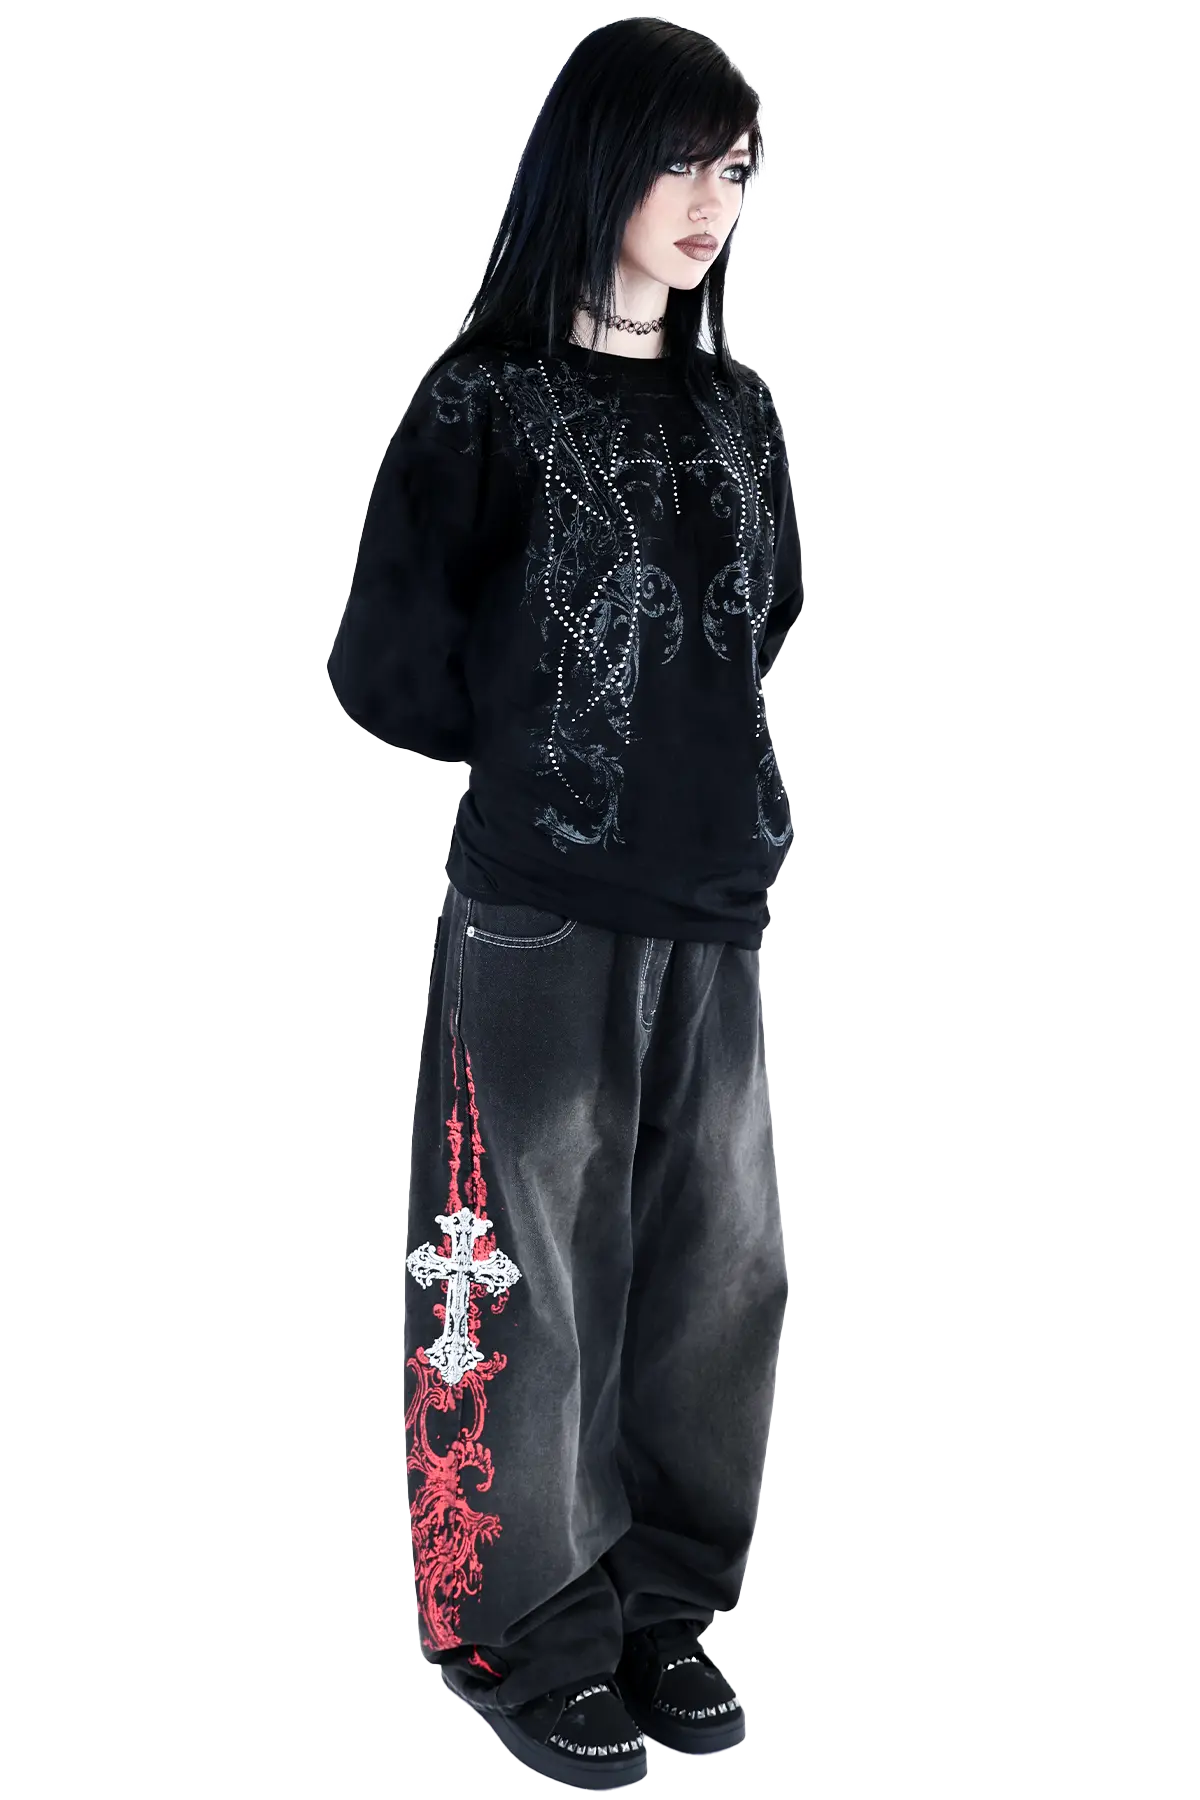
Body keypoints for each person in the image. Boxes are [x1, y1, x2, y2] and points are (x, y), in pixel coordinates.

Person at [328, 16, 801, 1790]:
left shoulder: (739, 412)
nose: (711, 202)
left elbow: (766, 621)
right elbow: (385, 670)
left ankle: (662, 1599)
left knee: (714, 1268)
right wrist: (556, 749)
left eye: (737, 167)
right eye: (680, 160)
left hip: (718, 895)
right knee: (523, 1259)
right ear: (595, 164)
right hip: (542, 905)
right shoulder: (483, 404)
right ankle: (523, 1619)